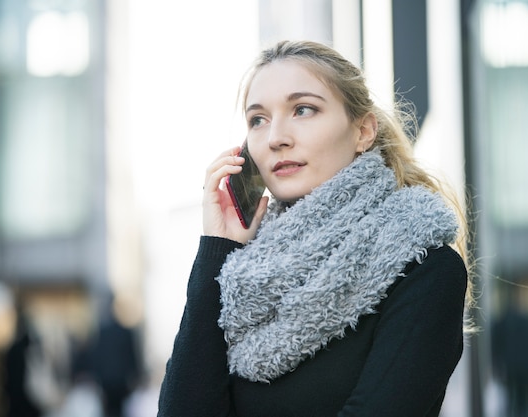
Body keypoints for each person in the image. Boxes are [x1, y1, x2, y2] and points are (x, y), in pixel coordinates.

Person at [157, 40, 473, 417]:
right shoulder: (242, 276)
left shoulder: (425, 267)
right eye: (258, 119)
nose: (276, 137)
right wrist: (217, 249)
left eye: (303, 110)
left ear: (364, 131)